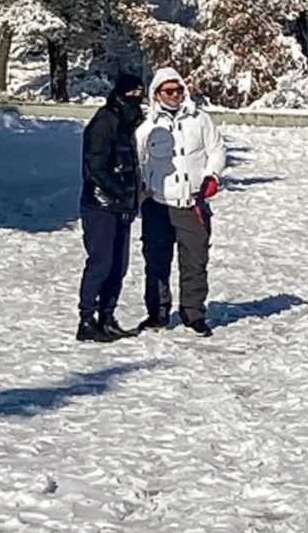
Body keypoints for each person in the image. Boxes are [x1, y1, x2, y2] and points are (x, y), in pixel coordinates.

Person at [136, 67, 226, 335]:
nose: (174, 95)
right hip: (158, 205)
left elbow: (217, 149)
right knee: (156, 262)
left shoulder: (200, 119)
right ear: (157, 94)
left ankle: (193, 314)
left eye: (178, 90)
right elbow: (139, 160)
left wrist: (212, 176)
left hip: (192, 204)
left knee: (195, 262)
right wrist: (141, 190)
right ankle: (158, 313)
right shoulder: (148, 126)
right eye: (168, 91)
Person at [76, 69, 146, 343]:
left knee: (119, 264)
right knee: (101, 262)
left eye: (139, 93)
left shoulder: (130, 122)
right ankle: (87, 318)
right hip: (100, 204)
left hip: (122, 204)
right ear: (118, 94)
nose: (135, 98)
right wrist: (118, 194)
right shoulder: (105, 122)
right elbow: (96, 168)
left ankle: (107, 315)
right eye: (131, 93)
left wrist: (131, 197)